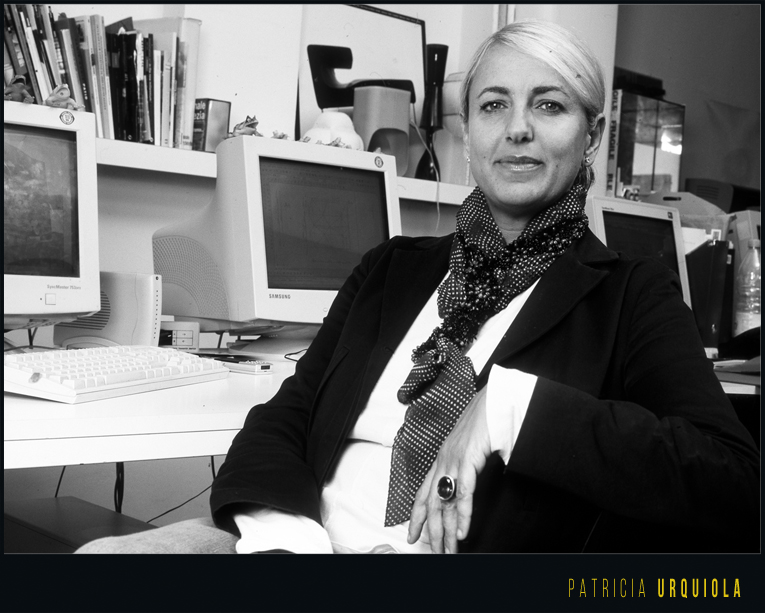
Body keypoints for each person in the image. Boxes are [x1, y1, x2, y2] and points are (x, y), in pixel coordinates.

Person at [78, 20, 759, 555]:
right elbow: (287, 418)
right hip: (300, 542)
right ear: (471, 132)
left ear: (592, 135)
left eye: (548, 105)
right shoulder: (391, 269)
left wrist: (510, 408)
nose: (517, 129)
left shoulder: (630, 296)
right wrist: (289, 539)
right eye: (493, 105)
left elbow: (733, 483)